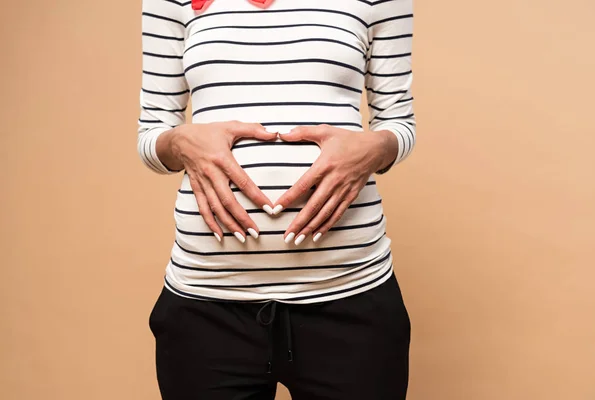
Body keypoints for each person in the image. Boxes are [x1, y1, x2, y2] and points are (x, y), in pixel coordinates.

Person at [138, 0, 416, 398]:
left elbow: (398, 123)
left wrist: (375, 148)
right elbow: (153, 132)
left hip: (351, 297)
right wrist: (180, 141)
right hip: (207, 307)